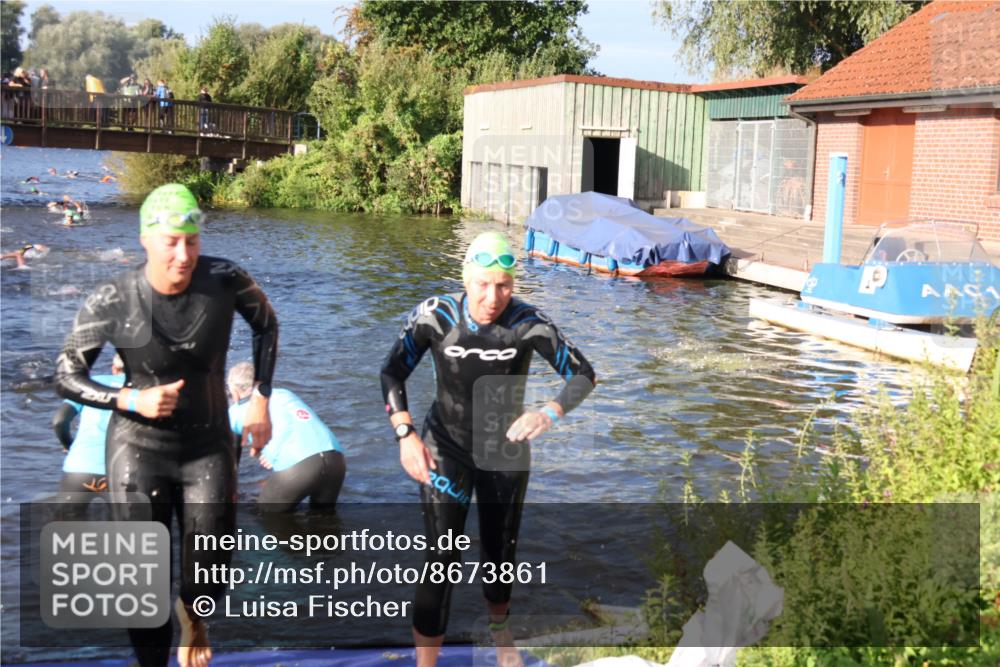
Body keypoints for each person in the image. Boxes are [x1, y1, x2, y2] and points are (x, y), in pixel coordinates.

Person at [54, 183, 279, 667]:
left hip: (209, 445)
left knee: (208, 579)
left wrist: (261, 396)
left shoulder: (225, 278)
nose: (183, 255)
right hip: (138, 450)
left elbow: (267, 324)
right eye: (171, 242)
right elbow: (66, 375)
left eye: (192, 242)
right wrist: (129, 397)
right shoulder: (113, 298)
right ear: (145, 240)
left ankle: (193, 621)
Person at [380, 231, 596, 667]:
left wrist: (549, 412)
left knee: (500, 552)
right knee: (441, 555)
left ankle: (501, 635)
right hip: (445, 448)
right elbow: (391, 373)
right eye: (483, 284)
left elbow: (583, 374)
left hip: (505, 451)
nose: (493, 297)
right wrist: (405, 435)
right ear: (466, 279)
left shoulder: (527, 322)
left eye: (504, 286)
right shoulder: (435, 316)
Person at [227, 362, 346, 512]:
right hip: (336, 459)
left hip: (300, 466)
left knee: (264, 516)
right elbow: (290, 423)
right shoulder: (284, 393)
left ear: (235, 392)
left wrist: (273, 454)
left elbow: (223, 452)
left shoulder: (234, 412)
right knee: (323, 521)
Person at [52, 354, 125, 495]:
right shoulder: (145, 393)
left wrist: (69, 445)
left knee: (68, 517)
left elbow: (59, 420)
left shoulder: (90, 384)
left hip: (79, 468)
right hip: (123, 471)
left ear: (115, 368)